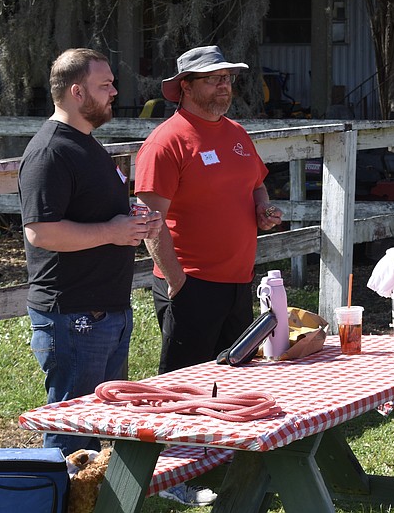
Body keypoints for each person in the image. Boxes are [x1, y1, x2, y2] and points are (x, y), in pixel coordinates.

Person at [134, 45, 281, 506]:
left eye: (228, 78)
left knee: (231, 380)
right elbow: (148, 221)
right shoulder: (167, 140)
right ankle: (170, 475)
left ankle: (216, 460)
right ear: (186, 87)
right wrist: (177, 281)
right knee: (181, 385)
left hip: (239, 280)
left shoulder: (237, 133)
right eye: (214, 78)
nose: (225, 85)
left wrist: (262, 210)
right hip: (190, 281)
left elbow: (254, 181)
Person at [18, 48, 161, 456]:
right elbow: (41, 232)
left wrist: (134, 220)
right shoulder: (50, 152)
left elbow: (97, 214)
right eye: (106, 85)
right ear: (77, 92)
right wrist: (113, 231)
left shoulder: (88, 145)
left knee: (101, 422)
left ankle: (95, 498)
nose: (115, 91)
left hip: (106, 311)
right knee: (73, 430)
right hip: (73, 314)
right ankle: (59, 499)